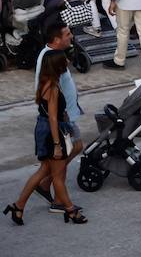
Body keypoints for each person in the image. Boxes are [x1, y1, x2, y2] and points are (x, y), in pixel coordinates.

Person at [6, 52, 84, 226]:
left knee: (43, 171)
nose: (68, 61)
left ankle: (18, 206)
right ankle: (70, 210)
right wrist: (57, 144)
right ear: (58, 65)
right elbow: (52, 118)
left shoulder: (47, 82)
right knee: (57, 174)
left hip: (45, 129)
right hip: (51, 133)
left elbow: (51, 113)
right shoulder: (53, 87)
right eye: (65, 60)